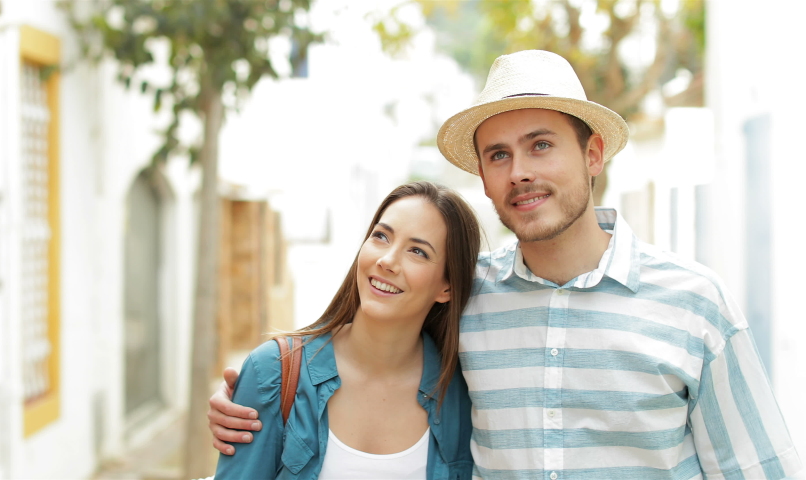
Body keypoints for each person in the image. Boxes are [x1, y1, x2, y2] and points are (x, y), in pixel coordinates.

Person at [209, 51, 803, 479]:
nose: (520, 171)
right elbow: (366, 354)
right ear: (485, 180)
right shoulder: (467, 298)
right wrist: (254, 393)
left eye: (541, 144)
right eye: (498, 155)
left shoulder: (695, 304)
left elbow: (759, 469)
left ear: (593, 154)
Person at [214, 181, 479, 479]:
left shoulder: (466, 393)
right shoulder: (273, 371)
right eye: (381, 236)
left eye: (417, 251)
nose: (387, 261)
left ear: (447, 287)